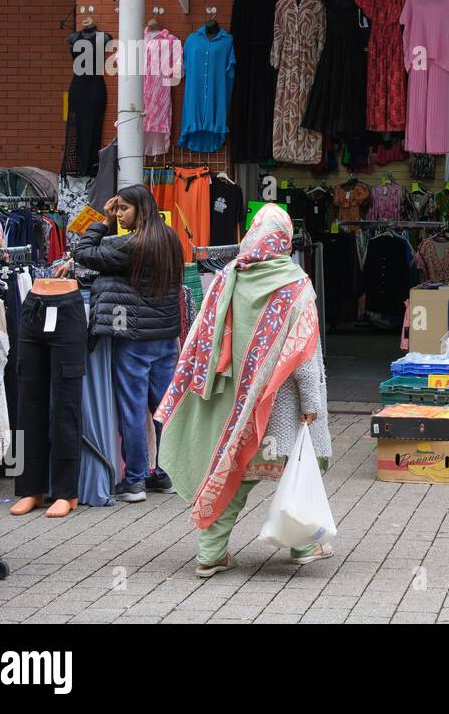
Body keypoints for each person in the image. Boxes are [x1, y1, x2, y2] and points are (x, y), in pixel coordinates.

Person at [154, 203, 333, 578]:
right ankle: (302, 545)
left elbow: (205, 336)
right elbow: (305, 350)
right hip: (282, 403)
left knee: (237, 473)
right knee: (292, 469)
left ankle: (211, 552)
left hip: (239, 404)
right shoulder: (295, 284)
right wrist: (311, 401)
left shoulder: (229, 277)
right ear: (284, 240)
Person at [67, 185, 182, 503]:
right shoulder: (169, 238)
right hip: (165, 337)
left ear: (140, 210)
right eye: (115, 209)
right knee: (163, 409)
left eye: (123, 209)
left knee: (132, 410)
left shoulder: (132, 244)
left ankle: (134, 482)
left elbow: (84, 253)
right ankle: (166, 472)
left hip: (134, 339)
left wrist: (101, 222)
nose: (118, 214)